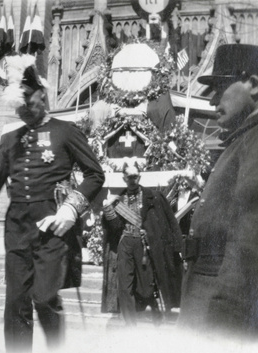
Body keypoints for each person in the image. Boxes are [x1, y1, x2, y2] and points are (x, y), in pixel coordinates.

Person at [0, 54, 105, 353]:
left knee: (44, 297)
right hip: (17, 229)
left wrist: (71, 208)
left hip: (52, 228)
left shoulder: (66, 131)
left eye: (29, 102)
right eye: (19, 106)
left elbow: (95, 174)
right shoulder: (11, 140)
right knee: (16, 302)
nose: (24, 110)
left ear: (42, 94)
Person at [178, 44, 258, 337]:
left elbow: (249, 245)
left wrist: (225, 323)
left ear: (253, 85)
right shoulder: (242, 140)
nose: (212, 101)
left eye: (221, 87)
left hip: (219, 313)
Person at [101, 162, 183, 326]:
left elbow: (171, 222)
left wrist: (177, 246)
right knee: (124, 285)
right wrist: (108, 210)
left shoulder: (154, 197)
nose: (133, 180)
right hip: (125, 243)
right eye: (129, 177)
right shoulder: (119, 200)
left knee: (147, 285)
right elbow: (116, 227)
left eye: (135, 176)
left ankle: (155, 315)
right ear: (124, 178)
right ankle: (130, 325)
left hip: (145, 245)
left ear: (140, 176)